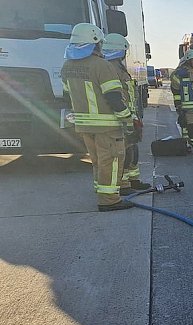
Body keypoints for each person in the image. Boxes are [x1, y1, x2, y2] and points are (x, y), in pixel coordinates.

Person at [61, 23, 134, 211]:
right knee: (111, 161)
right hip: (107, 126)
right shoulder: (102, 65)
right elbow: (113, 97)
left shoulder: (67, 66)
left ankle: (101, 191)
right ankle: (109, 200)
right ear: (95, 42)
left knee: (97, 161)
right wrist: (127, 117)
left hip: (84, 125)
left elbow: (67, 96)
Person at [102, 33, 151, 194]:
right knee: (123, 154)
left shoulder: (117, 67)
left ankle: (133, 180)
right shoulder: (110, 68)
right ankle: (123, 185)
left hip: (129, 115)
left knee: (132, 149)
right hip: (120, 118)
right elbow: (115, 96)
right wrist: (127, 116)